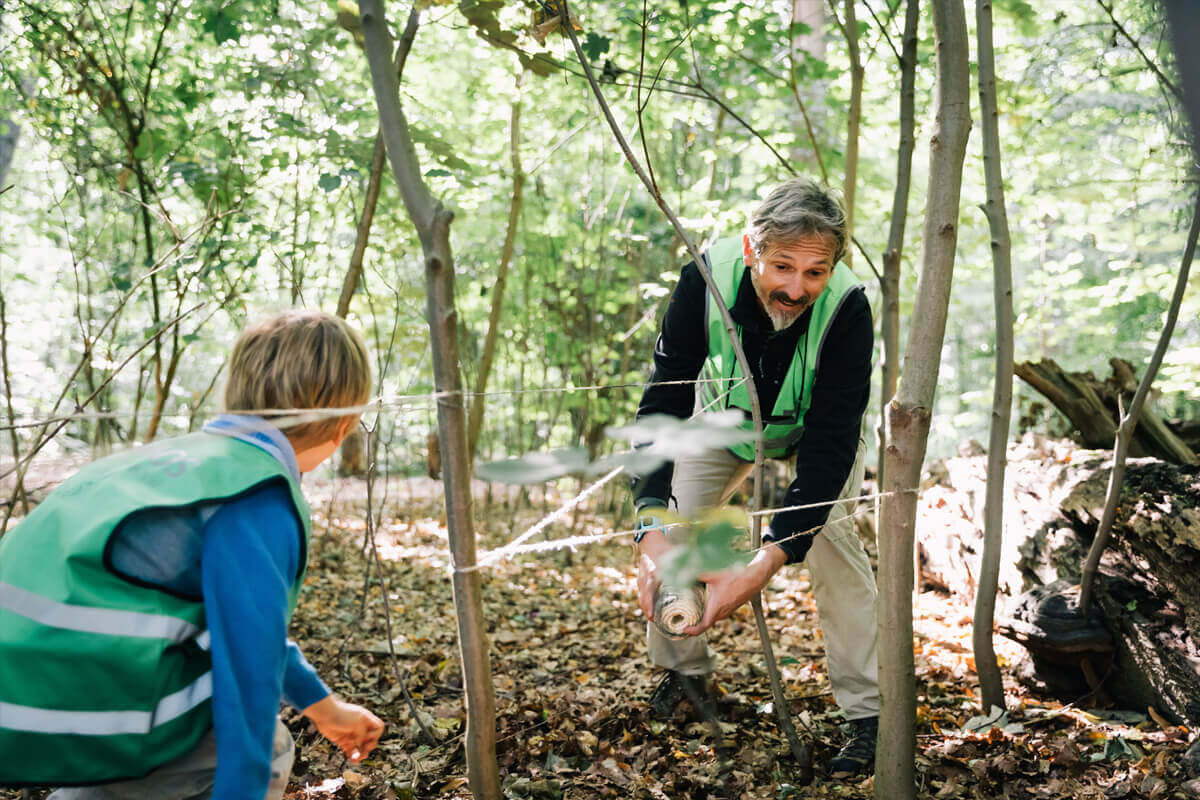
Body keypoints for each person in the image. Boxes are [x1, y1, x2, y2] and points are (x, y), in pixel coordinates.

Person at [0, 310, 385, 798]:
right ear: (344, 423)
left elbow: (240, 628)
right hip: (70, 708)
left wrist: (325, 710)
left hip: (27, 693)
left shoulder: (178, 464)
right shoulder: (254, 494)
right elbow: (248, 675)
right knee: (269, 746)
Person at [631, 178, 879, 778]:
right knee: (676, 532)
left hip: (817, 430)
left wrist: (770, 558)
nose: (796, 288)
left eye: (815, 272)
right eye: (782, 266)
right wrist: (649, 524)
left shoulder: (847, 307)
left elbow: (830, 444)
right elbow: (664, 398)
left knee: (835, 545)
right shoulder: (703, 280)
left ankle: (870, 715)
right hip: (725, 423)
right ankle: (684, 675)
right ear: (751, 250)